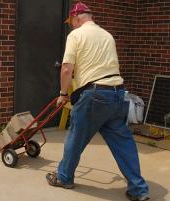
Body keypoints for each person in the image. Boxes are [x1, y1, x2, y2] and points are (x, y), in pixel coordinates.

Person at [46, 2, 150, 201]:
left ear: (77, 17)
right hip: (118, 94)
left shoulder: (76, 35)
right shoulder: (107, 35)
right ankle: (139, 190)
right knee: (124, 144)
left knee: (75, 139)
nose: (72, 26)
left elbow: (67, 69)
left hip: (95, 96)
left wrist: (62, 93)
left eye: (72, 22)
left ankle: (64, 177)